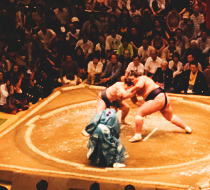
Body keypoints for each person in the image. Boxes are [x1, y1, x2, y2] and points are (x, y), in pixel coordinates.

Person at [127, 75, 192, 142]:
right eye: (130, 80)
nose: (132, 80)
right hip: (161, 98)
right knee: (170, 117)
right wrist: (144, 107)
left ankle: (138, 135)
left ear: (136, 77)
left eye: (132, 78)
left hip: (158, 97)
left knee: (139, 114)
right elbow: (135, 102)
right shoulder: (133, 88)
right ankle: (186, 128)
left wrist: (130, 90)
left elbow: (139, 86)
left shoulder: (142, 78)